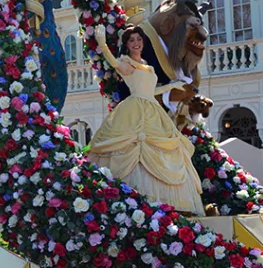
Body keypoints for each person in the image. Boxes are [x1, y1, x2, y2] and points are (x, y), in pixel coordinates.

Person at [87, 25, 204, 214]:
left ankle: (169, 207)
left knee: (165, 149)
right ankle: (134, 203)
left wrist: (171, 86)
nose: (136, 43)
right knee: (135, 146)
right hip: (134, 110)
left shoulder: (147, 65)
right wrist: (101, 42)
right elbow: (114, 63)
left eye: (138, 39)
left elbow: (150, 90)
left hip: (152, 108)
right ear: (126, 44)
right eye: (132, 40)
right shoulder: (126, 63)